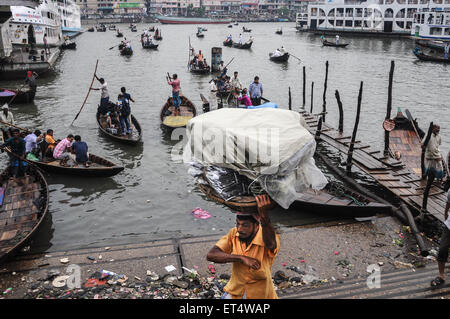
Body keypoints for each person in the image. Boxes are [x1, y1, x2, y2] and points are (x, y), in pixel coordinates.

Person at [206, 195, 280, 299]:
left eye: (245, 225)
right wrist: (241, 258)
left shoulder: (268, 237)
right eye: (238, 224)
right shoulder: (234, 233)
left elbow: (271, 244)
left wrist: (264, 216)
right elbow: (211, 255)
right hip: (235, 292)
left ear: (256, 226)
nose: (239, 229)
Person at [431, 187, 450, 288]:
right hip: (449, 226)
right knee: (442, 249)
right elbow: (448, 202)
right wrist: (446, 213)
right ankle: (442, 275)